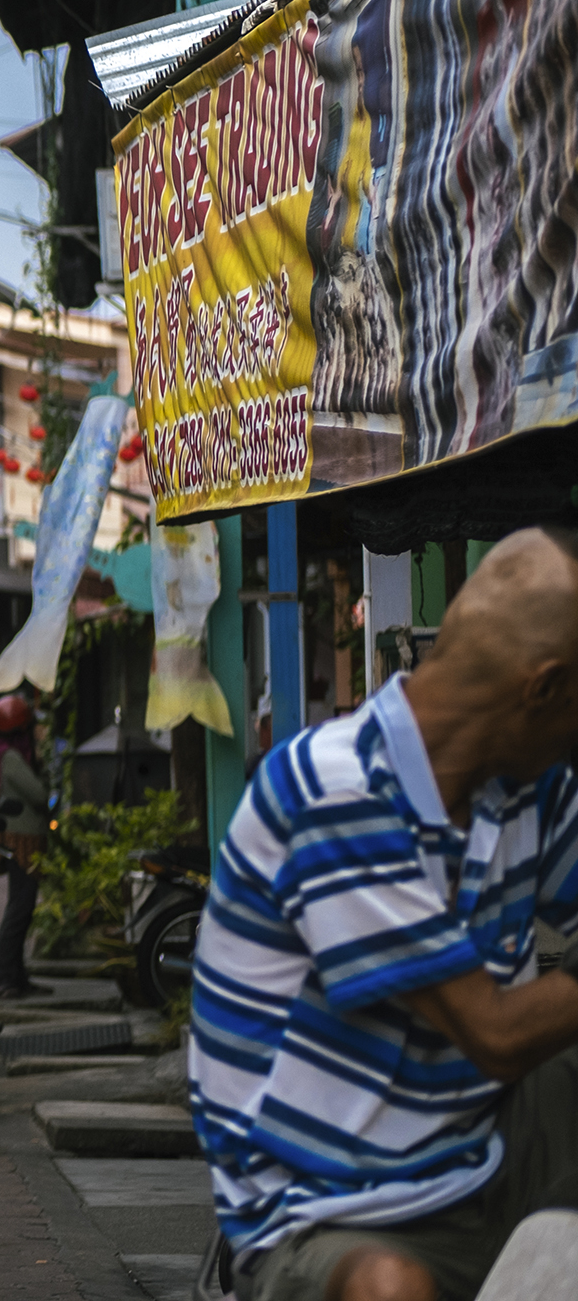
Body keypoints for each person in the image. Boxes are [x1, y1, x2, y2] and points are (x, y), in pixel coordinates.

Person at [190, 525, 578, 1301]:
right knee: (389, 1287)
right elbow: (496, 1033)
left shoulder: (532, 783)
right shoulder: (335, 789)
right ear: (546, 689)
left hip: (481, 1147)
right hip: (327, 1204)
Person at [0, 693, 51, 1000]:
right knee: (19, 910)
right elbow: (38, 794)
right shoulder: (11, 757)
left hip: (20, 840)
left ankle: (17, 978)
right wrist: (42, 764)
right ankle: (4, 980)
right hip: (21, 843)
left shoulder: (6, 753)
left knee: (22, 909)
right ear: (20, 730)